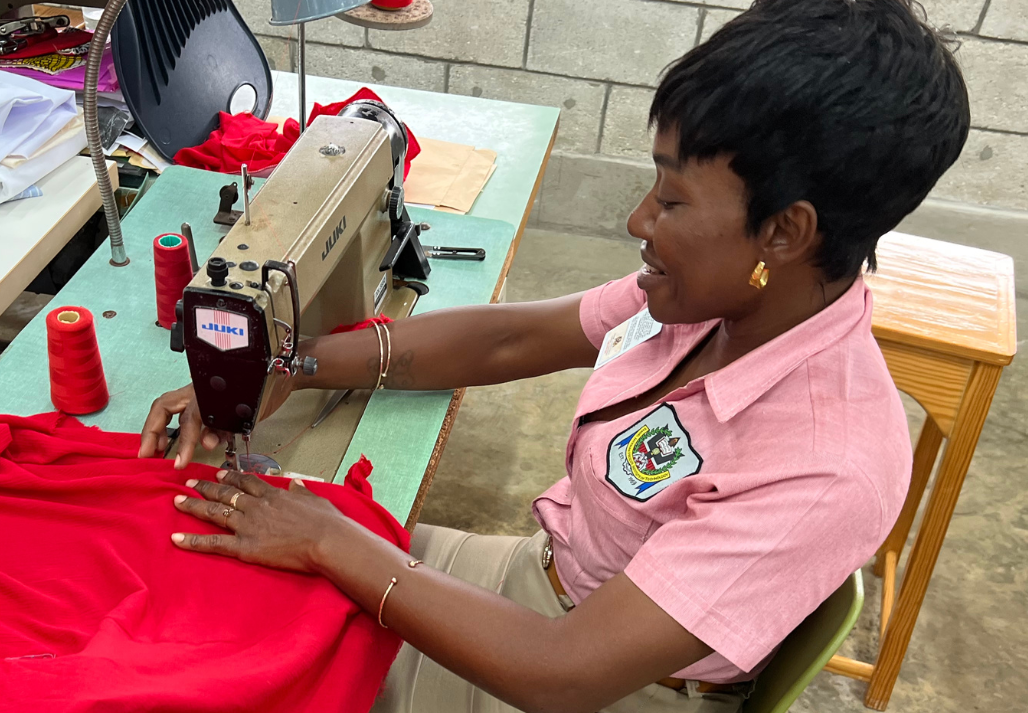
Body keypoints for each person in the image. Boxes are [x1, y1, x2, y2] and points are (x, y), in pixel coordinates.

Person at [138, 1, 970, 710]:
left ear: (786, 231)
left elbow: (560, 673)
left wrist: (333, 544)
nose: (641, 220)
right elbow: (511, 336)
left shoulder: (825, 463)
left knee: (233, 667)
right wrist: (282, 364)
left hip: (593, 674)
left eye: (674, 197)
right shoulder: (713, 303)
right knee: (223, 581)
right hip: (540, 576)